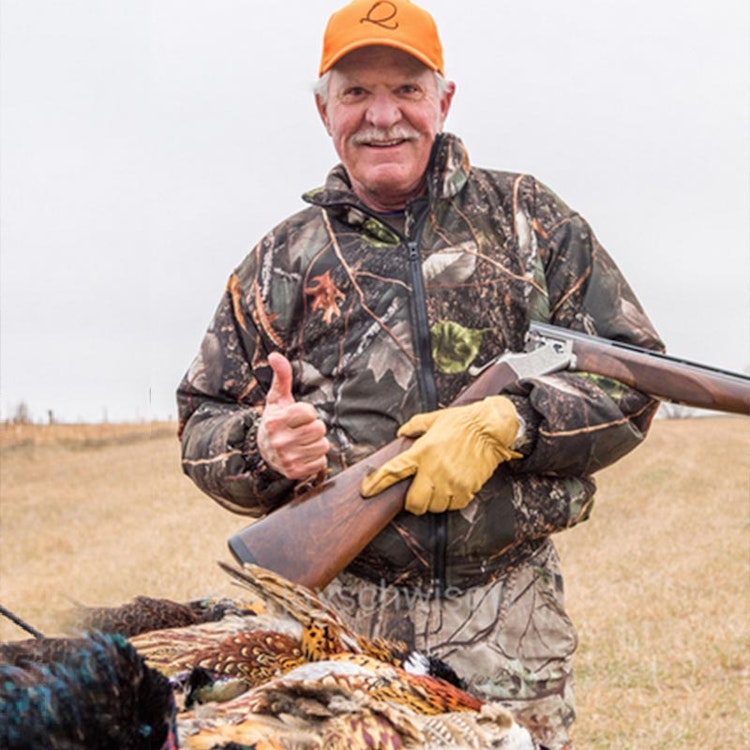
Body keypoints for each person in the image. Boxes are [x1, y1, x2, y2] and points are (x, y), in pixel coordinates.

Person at [176, 2, 664, 747]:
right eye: (356, 92)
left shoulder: (529, 220)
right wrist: (262, 449)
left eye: (406, 89)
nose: (383, 117)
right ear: (323, 111)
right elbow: (201, 421)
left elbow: (634, 377)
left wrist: (514, 422)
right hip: (338, 632)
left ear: (444, 100)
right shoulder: (283, 259)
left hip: (510, 620)